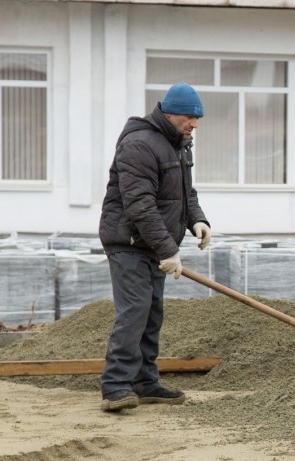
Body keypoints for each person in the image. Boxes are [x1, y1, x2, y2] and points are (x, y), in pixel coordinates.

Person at [97, 82, 212, 412]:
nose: (195, 124)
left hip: (154, 243)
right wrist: (167, 250)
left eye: (198, 118)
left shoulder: (180, 144)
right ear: (170, 113)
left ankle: (145, 382)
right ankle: (116, 385)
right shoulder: (140, 144)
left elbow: (185, 193)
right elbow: (140, 205)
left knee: (151, 314)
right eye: (190, 118)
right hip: (129, 241)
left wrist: (198, 221)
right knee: (134, 312)